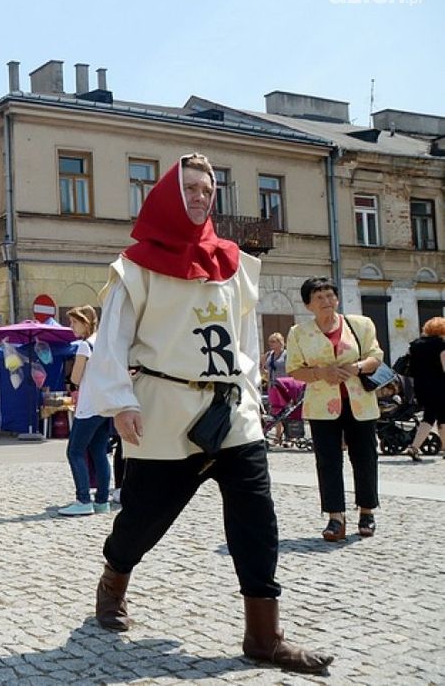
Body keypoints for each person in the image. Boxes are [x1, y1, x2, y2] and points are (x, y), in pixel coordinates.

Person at [85, 153, 332, 674]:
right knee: (143, 519)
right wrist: (121, 403)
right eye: (191, 187)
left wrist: (252, 391)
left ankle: (264, 637)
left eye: (208, 188)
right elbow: (111, 341)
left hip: (231, 410)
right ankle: (113, 581)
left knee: (257, 517)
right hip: (165, 410)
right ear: (169, 195)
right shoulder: (135, 268)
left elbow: (244, 336)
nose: (200, 196)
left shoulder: (234, 263)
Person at [284, 276, 382, 542]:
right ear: (308, 305)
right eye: (319, 297)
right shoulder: (299, 333)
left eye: (330, 296)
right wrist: (320, 372)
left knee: (365, 458)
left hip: (360, 403)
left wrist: (357, 367)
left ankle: (367, 511)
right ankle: (335, 517)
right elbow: (293, 368)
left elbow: (376, 356)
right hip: (321, 407)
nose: (327, 301)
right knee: (328, 461)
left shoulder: (361, 324)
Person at [57, 305, 113, 516]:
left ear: (85, 322)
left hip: (88, 406)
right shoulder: (105, 342)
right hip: (104, 404)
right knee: (99, 452)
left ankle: (83, 499)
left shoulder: (84, 346)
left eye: (74, 322)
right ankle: (101, 501)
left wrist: (74, 369)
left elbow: (75, 378)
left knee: (74, 451)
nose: (71, 326)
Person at [405, 317, 445, 460]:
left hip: (421, 386)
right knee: (430, 416)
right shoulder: (441, 344)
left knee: (442, 416)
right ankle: (414, 447)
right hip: (439, 386)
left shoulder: (415, 345)